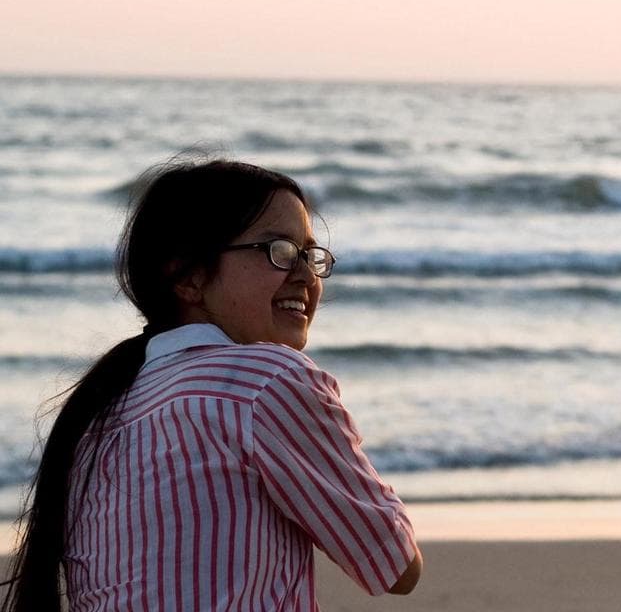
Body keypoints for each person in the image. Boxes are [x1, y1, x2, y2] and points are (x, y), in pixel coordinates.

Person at [1, 160, 422, 611]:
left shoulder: (102, 414)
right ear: (189, 277)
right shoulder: (267, 379)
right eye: (278, 250)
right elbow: (395, 563)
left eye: (311, 255)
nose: (305, 275)